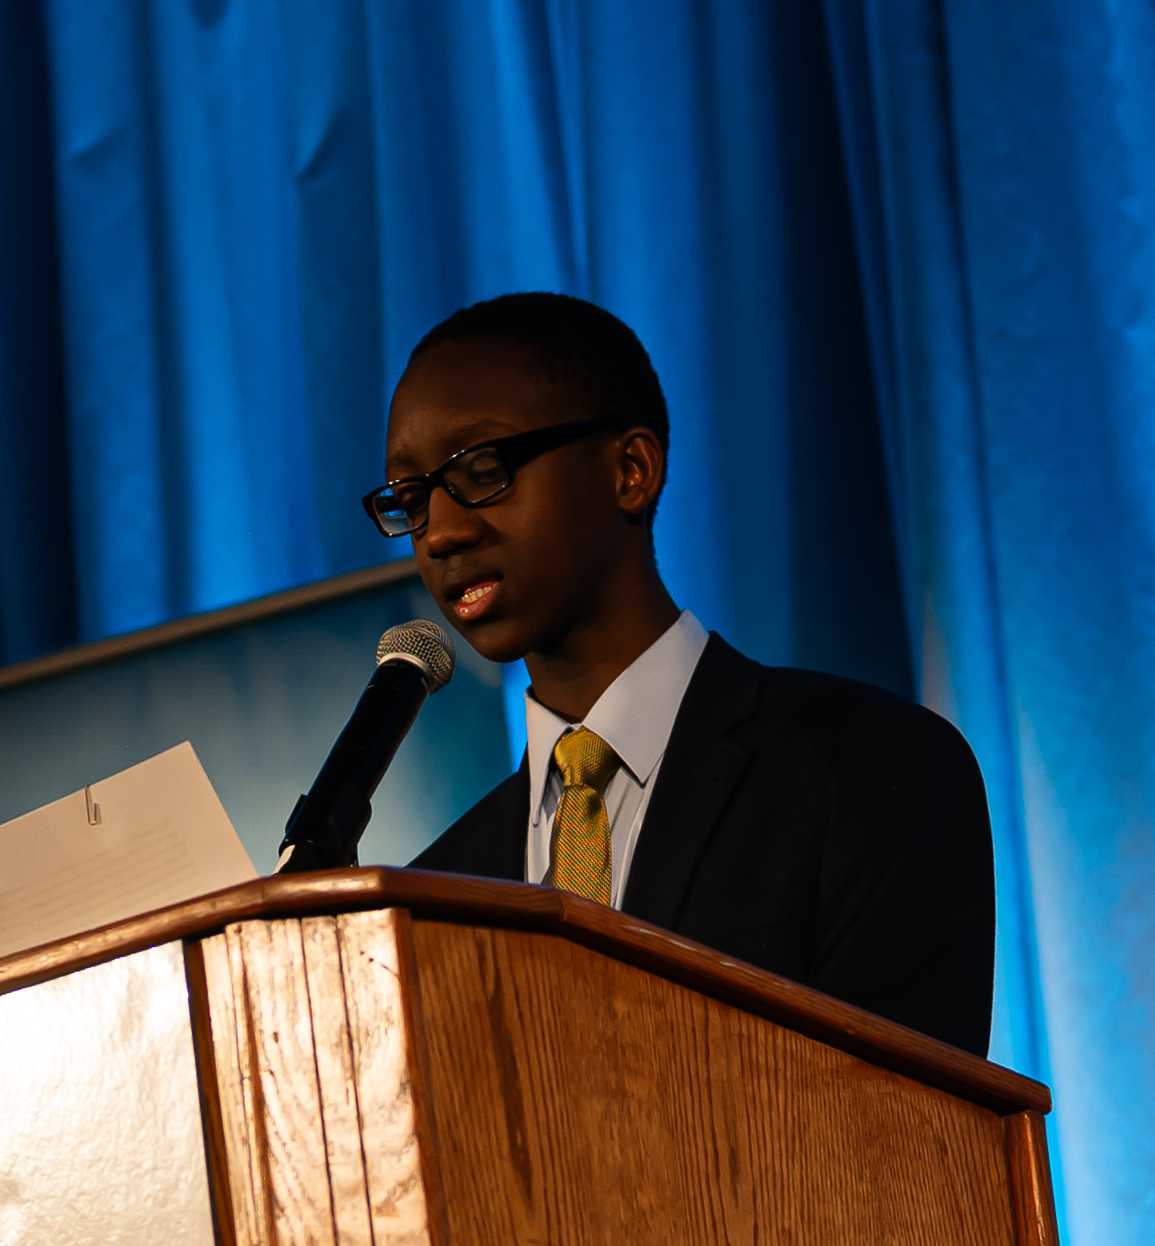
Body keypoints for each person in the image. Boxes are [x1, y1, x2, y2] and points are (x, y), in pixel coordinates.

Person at [368, 293, 995, 1055]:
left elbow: (900, 1117)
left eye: (482, 470)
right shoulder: (440, 890)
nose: (439, 531)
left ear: (630, 471)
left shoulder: (874, 771)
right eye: (410, 498)